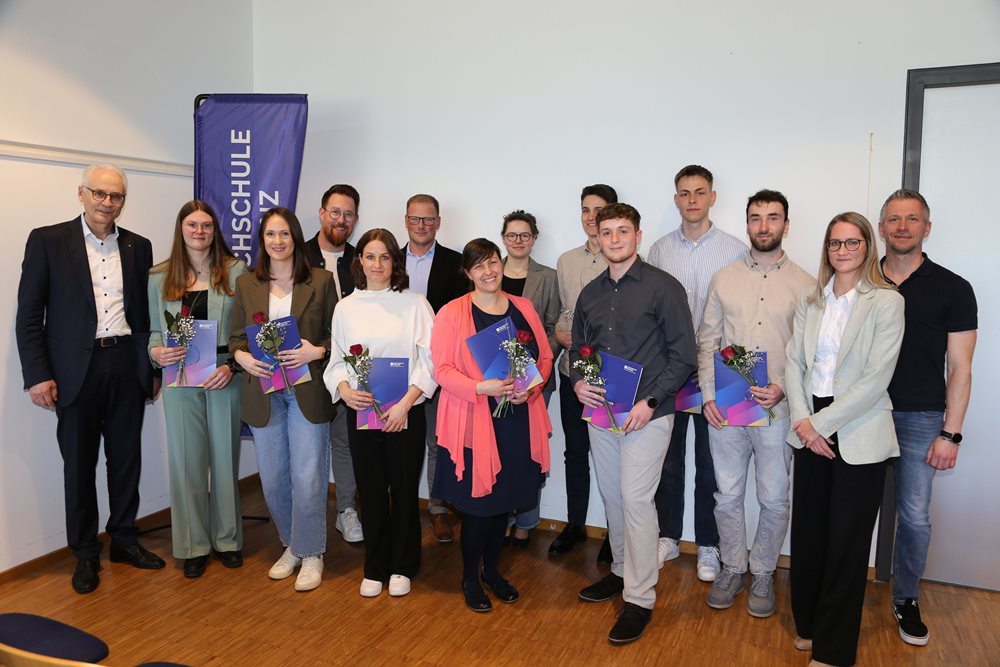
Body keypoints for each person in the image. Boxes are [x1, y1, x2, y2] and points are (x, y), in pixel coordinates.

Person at [16, 163, 164, 595]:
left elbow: (145, 315)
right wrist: (38, 375)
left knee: (126, 459)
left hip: (126, 364)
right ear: (81, 193)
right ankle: (84, 552)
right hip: (73, 371)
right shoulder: (47, 241)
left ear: (123, 201)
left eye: (115, 196)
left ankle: (124, 540)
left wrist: (151, 369)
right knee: (78, 465)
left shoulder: (138, 246)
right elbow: (30, 315)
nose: (107, 202)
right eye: (99, 193)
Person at [573, 203, 697, 644]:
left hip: (649, 414)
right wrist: (579, 384)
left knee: (636, 500)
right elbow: (580, 351)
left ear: (638, 236)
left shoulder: (664, 287)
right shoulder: (590, 293)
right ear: (598, 237)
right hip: (601, 413)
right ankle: (623, 570)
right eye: (606, 232)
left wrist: (651, 401)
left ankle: (640, 598)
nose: (614, 239)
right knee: (613, 497)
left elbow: (684, 356)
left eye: (622, 231)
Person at [784, 212, 904, 667]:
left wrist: (821, 424)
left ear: (868, 247)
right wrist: (803, 421)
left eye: (853, 242)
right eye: (835, 243)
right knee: (810, 534)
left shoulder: (887, 302)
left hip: (858, 429)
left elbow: (875, 379)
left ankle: (834, 652)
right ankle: (811, 626)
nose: (843, 250)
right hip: (809, 425)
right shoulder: (811, 300)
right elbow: (794, 364)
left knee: (847, 544)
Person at [697, 190, 814, 617]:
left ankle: (763, 571)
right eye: (755, 218)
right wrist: (709, 395)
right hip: (728, 405)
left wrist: (783, 386)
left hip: (779, 409)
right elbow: (708, 341)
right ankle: (732, 567)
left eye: (772, 217)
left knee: (774, 498)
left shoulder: (806, 285)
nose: (764, 226)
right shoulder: (723, 278)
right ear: (747, 224)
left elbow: (809, 352)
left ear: (786, 224)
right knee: (727, 495)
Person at [430, 238, 553, 613]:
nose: (488, 271)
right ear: (468, 273)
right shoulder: (451, 313)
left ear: (502, 264)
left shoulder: (523, 307)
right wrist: (480, 387)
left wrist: (530, 389)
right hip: (475, 420)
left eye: (493, 262)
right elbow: (442, 370)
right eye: (479, 266)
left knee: (503, 503)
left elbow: (544, 357)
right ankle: (470, 578)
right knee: (479, 507)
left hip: (517, 419)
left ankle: (493, 572)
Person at [878, 189, 977, 646]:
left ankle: (906, 598)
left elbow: (961, 368)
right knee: (851, 511)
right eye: (894, 219)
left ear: (927, 228)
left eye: (912, 219)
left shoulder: (954, 288)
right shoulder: (860, 279)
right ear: (882, 227)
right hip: (862, 413)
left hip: (920, 417)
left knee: (915, 517)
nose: (902, 227)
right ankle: (842, 594)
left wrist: (951, 433)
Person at [323, 228, 437, 598]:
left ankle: (403, 565)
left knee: (403, 490)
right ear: (360, 261)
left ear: (394, 262)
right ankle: (375, 566)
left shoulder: (415, 304)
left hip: (406, 412)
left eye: (384, 257)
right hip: (362, 413)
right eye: (370, 256)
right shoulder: (346, 307)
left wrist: (406, 404)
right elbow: (337, 362)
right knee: (370, 491)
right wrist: (344, 391)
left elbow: (431, 361)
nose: (377, 264)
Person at [647, 164, 747, 580]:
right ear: (676, 199)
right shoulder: (658, 250)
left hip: (718, 367)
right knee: (667, 459)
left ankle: (708, 544)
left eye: (700, 192)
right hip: (670, 365)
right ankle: (668, 536)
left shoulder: (735, 250)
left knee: (712, 461)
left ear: (712, 197)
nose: (692, 199)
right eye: (685, 193)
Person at [230, 207, 337, 592]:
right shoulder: (246, 283)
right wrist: (241, 357)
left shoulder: (321, 280)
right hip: (264, 391)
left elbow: (336, 336)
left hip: (306, 389)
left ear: (295, 238)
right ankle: (292, 544)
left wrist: (316, 351)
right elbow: (236, 338)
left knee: (308, 477)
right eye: (270, 235)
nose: (278, 241)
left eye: (285, 234)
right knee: (274, 479)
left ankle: (312, 553)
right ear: (262, 241)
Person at [147, 201, 247, 578]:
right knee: (187, 461)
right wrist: (155, 351)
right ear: (181, 228)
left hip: (223, 372)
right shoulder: (158, 276)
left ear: (214, 230)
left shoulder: (236, 271)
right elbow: (154, 330)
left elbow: (244, 330)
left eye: (206, 225)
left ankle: (227, 539)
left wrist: (231, 366)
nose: (199, 231)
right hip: (178, 374)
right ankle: (192, 545)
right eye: (192, 225)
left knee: (225, 457)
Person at [549, 184, 617, 562]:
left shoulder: (622, 258)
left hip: (609, 378)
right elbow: (564, 313)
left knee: (611, 458)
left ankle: (614, 532)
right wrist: (561, 334)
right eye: (586, 210)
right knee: (575, 452)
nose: (591, 217)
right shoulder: (566, 261)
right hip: (571, 373)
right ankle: (575, 524)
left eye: (599, 210)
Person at [402, 193, 471, 544]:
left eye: (428, 219)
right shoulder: (387, 260)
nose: (421, 225)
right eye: (415, 218)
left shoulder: (456, 264)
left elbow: (462, 317)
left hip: (440, 365)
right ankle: (399, 504)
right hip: (396, 366)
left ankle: (438, 508)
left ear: (438, 223)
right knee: (399, 437)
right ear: (406, 221)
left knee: (436, 439)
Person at [304, 184, 363, 544]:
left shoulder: (362, 259)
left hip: (348, 368)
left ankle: (346, 511)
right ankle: (306, 517)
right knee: (309, 448)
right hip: (307, 368)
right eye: (335, 212)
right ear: (322, 213)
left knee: (344, 443)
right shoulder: (298, 255)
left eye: (348, 214)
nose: (341, 220)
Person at [499, 209, 560, 548]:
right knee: (500, 448)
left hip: (535, 378)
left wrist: (530, 366)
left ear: (534, 239)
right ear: (503, 238)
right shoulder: (490, 272)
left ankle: (526, 519)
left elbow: (552, 328)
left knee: (529, 449)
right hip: (495, 377)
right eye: (512, 235)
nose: (518, 241)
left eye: (525, 235)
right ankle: (502, 516)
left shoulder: (548, 277)